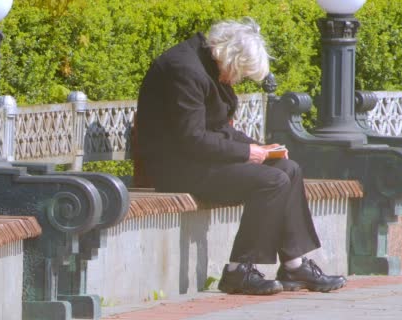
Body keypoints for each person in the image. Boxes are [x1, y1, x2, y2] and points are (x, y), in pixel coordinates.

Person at [136, 17, 346, 295]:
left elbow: (218, 127)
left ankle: (294, 265)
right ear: (230, 57)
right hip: (173, 167)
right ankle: (238, 271)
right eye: (240, 74)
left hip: (197, 159)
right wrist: (248, 152)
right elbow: (192, 138)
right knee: (271, 181)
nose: (237, 80)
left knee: (288, 168)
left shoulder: (208, 63)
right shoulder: (184, 70)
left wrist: (261, 149)